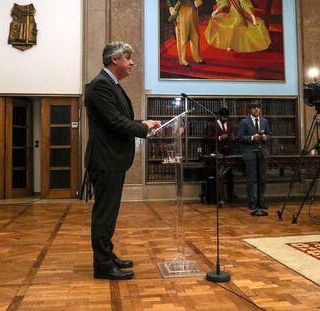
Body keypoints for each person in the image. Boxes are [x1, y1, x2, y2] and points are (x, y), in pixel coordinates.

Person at [84, 42, 161, 280]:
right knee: (104, 215)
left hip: (112, 160)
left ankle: (108, 255)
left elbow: (118, 118)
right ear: (114, 59)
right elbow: (114, 122)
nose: (132, 63)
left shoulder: (110, 84)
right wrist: (142, 127)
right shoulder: (100, 85)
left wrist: (142, 123)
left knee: (109, 213)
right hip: (105, 159)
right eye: (128, 58)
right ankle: (103, 265)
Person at [238, 101, 270, 209]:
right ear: (250, 110)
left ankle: (260, 201)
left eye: (258, 108)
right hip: (250, 154)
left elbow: (270, 135)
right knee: (250, 179)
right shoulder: (244, 122)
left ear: (260, 109)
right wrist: (252, 137)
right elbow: (240, 137)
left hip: (262, 153)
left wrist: (266, 137)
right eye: (254, 108)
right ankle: (251, 201)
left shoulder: (265, 121)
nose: (256, 109)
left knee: (262, 178)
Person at [205, 0, 271, 52]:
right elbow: (224, 3)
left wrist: (253, 17)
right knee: (216, 20)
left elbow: (246, 6)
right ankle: (231, 44)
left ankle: (231, 44)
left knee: (235, 25)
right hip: (231, 14)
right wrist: (216, 11)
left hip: (240, 15)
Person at [207, 107, 237, 200]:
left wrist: (232, 137)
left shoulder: (231, 125)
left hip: (229, 153)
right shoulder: (212, 124)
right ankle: (219, 196)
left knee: (229, 175)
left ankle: (230, 194)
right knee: (219, 175)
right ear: (219, 116)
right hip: (218, 152)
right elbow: (208, 138)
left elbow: (232, 135)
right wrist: (219, 138)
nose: (225, 118)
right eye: (223, 117)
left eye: (226, 117)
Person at [167, 0, 205, 67]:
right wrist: (170, 7)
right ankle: (183, 60)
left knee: (195, 36)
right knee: (183, 37)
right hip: (181, 10)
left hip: (192, 9)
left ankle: (197, 57)